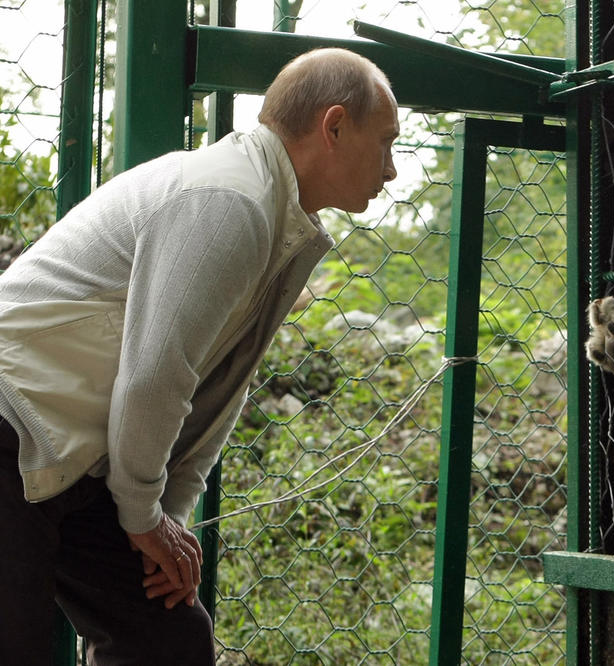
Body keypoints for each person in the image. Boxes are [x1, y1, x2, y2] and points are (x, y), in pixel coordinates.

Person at [0, 47, 399, 664]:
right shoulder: (230, 200)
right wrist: (143, 517)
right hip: (13, 430)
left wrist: (165, 519)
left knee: (167, 639)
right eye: (386, 142)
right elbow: (154, 377)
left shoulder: (270, 213)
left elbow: (218, 387)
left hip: (70, 459)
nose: (392, 170)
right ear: (335, 125)